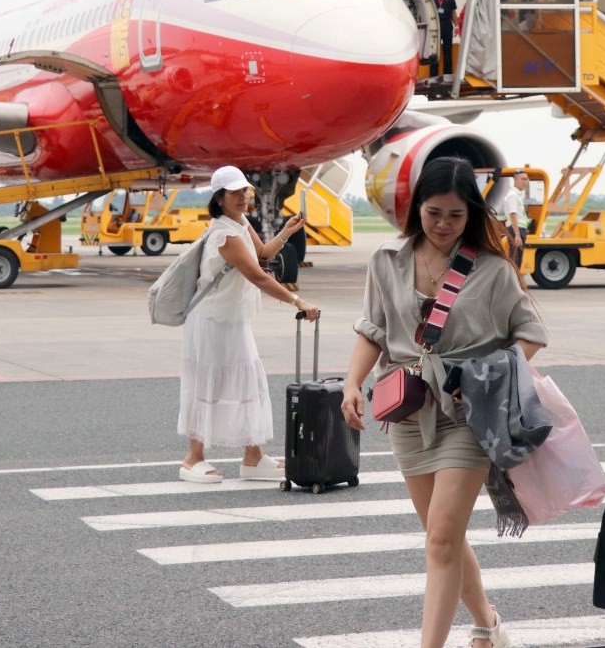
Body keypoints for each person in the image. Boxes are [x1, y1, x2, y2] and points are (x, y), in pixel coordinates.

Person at [341, 156, 547, 648]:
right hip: (407, 412)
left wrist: (482, 374)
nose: (443, 224)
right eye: (434, 212)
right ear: (417, 208)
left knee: (440, 538)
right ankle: (488, 623)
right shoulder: (386, 260)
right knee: (443, 537)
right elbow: (373, 330)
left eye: (456, 215)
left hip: (466, 414)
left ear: (471, 213)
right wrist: (352, 384)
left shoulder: (492, 270)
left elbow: (531, 334)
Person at [177, 166, 321, 484]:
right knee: (207, 385)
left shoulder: (240, 224)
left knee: (249, 382)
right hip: (211, 321)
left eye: (244, 190)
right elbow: (258, 276)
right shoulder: (224, 234)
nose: (243, 197)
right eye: (235, 192)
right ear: (219, 198)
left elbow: (263, 253)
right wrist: (298, 302)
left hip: (232, 319)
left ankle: (253, 457)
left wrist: (286, 232)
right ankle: (192, 458)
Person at [498, 170, 529, 266]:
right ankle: (514, 275)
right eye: (522, 179)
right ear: (515, 180)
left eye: (526, 179)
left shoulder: (516, 195)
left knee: (517, 256)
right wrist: (517, 235)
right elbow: (513, 214)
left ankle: (515, 275)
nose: (525, 182)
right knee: (516, 258)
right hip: (516, 229)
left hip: (517, 228)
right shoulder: (513, 195)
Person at [432, 0, 459, 76]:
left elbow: (453, 12)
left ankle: (448, 75)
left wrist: (456, 26)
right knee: (435, 51)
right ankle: (433, 75)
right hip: (436, 26)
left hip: (447, 25)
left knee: (448, 51)